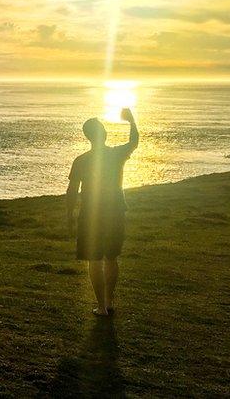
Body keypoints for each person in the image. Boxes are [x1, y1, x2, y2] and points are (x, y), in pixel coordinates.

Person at [66, 107, 138, 316]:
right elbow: (134, 142)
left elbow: (72, 190)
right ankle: (109, 301)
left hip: (90, 214)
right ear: (103, 134)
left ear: (88, 136)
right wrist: (131, 121)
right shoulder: (116, 154)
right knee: (111, 258)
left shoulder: (81, 160)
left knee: (94, 260)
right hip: (115, 210)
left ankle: (101, 306)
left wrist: (69, 215)